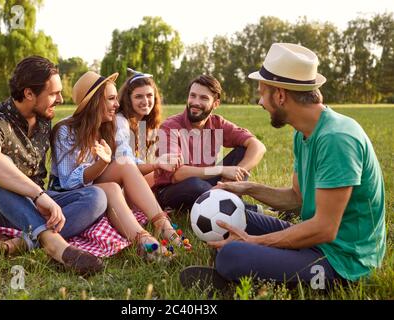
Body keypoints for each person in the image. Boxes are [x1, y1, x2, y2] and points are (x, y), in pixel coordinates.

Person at [180, 43, 386, 290]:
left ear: (280, 95)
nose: (259, 101)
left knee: (231, 255)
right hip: (316, 241)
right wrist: (248, 188)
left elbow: (325, 229)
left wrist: (255, 243)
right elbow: (296, 199)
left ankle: (241, 281)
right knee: (237, 219)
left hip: (344, 262)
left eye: (262, 92)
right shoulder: (305, 133)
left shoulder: (337, 139)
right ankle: (252, 267)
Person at [0, 56, 107, 275]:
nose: (60, 99)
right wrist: (39, 195)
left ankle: (19, 244)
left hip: (34, 205)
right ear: (28, 94)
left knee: (96, 197)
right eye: (53, 93)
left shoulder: (43, 118)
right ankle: (54, 244)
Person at [49, 71, 189, 259]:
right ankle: (145, 240)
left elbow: (128, 161)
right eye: (111, 99)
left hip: (97, 186)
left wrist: (157, 164)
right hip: (68, 195)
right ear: (95, 102)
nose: (117, 104)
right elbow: (68, 182)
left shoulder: (109, 126)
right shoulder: (66, 130)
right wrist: (102, 163)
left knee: (122, 168)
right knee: (113, 187)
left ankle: (158, 229)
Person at [153, 74, 266, 211]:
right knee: (195, 185)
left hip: (206, 184)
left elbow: (258, 146)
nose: (195, 102)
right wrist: (222, 170)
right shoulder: (170, 126)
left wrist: (236, 173)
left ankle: (220, 198)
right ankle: (250, 210)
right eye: (192, 96)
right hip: (172, 191)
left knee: (243, 151)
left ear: (216, 104)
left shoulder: (217, 123)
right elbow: (177, 175)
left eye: (204, 98)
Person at [116, 68, 178, 187]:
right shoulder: (120, 121)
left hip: (134, 179)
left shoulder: (144, 125)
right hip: (118, 182)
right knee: (169, 175)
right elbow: (126, 162)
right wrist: (157, 165)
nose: (145, 101)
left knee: (173, 173)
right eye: (139, 96)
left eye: (149, 95)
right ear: (128, 100)